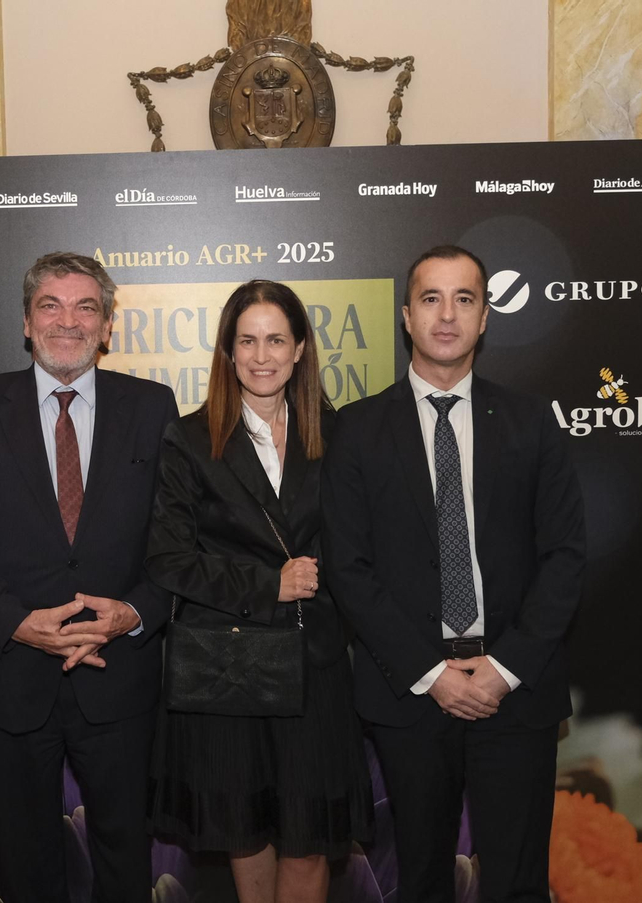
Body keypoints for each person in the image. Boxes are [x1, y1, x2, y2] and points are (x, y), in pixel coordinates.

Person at [322, 245, 586, 902]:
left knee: (518, 884)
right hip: (410, 696)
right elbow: (349, 569)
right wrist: (434, 675)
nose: (447, 315)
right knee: (421, 881)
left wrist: (503, 668)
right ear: (407, 315)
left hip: (516, 693)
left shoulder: (532, 423)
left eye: (464, 298)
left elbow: (565, 558)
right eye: (431, 299)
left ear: (485, 316)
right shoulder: (356, 430)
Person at [0, 251, 178, 903]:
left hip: (119, 677)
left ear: (108, 324)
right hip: (12, 678)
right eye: (51, 306)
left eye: (86, 306)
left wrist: (134, 613)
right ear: (27, 323)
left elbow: (183, 537)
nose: (69, 321)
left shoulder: (152, 406)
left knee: (126, 858)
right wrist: (16, 621)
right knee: (26, 864)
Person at [146, 280, 372, 903]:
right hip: (230, 667)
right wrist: (271, 583)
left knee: (308, 840)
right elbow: (168, 559)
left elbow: (366, 545)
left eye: (276, 339)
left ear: (300, 348)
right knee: (245, 835)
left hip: (316, 663)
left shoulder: (341, 434)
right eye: (247, 341)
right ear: (228, 351)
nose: (262, 355)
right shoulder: (190, 439)